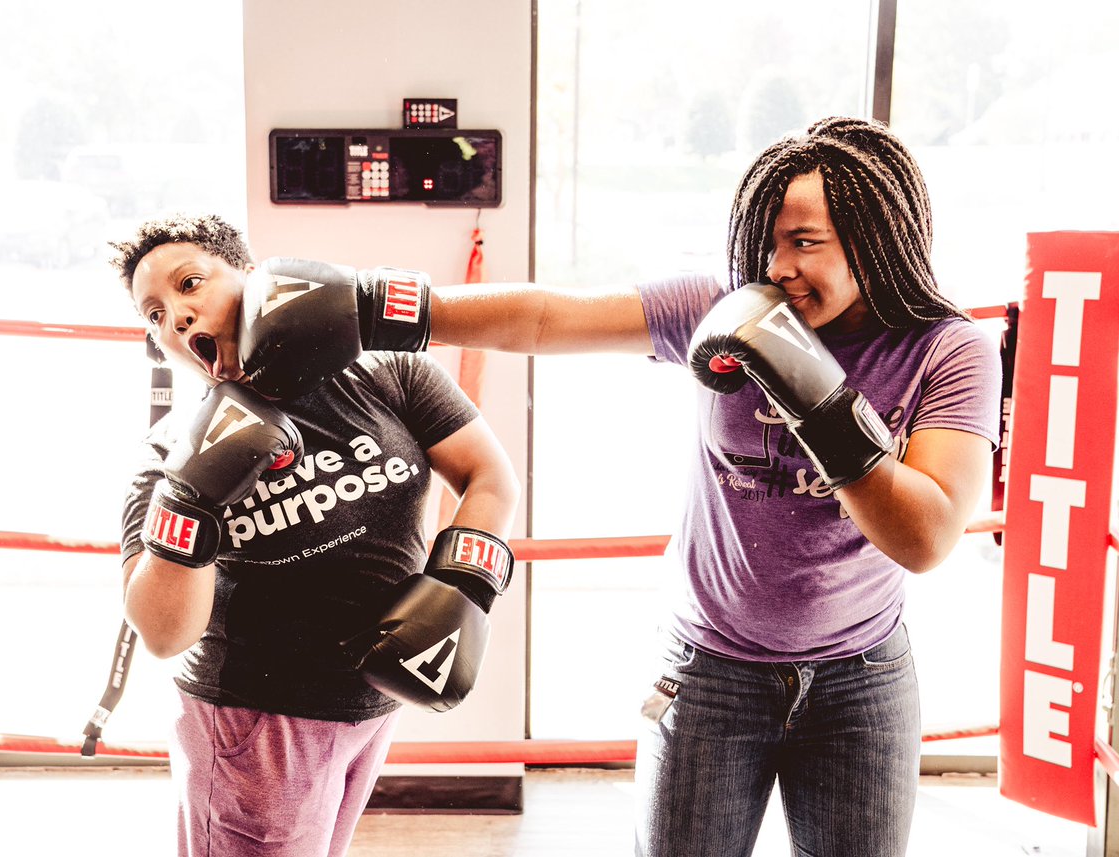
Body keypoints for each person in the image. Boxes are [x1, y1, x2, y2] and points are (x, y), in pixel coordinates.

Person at [410, 117, 1002, 856]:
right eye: (769, 242)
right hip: (711, 670)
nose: (779, 266)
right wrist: (380, 309)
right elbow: (546, 316)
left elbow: (928, 535)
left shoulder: (948, 349)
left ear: (875, 236)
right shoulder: (725, 307)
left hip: (862, 680)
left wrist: (816, 398)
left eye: (805, 241)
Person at [109, 214, 520, 857]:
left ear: (250, 279)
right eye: (154, 314)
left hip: (373, 698)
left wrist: (459, 583)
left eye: (191, 284)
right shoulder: (166, 457)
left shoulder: (387, 375)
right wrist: (191, 499)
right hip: (255, 719)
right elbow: (163, 632)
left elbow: (488, 474)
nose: (178, 316)